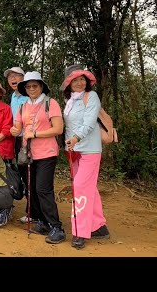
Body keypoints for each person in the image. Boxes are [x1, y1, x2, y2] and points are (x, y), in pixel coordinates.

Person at [10, 71, 66, 244]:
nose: (32, 89)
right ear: (25, 89)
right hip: (29, 154)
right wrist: (15, 130)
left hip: (47, 153)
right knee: (32, 188)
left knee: (43, 189)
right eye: (28, 86)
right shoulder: (23, 106)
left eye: (35, 85)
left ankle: (56, 226)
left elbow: (58, 129)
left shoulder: (51, 103)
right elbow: (18, 126)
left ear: (41, 86)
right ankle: (42, 222)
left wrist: (35, 133)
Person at [61, 64, 110, 249]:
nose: (79, 83)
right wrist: (69, 143)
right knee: (89, 188)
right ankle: (99, 226)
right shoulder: (70, 101)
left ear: (87, 82)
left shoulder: (92, 96)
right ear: (68, 84)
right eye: (75, 80)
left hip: (89, 149)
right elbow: (69, 126)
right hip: (74, 151)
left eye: (82, 79)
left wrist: (75, 138)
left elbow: (90, 122)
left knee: (80, 188)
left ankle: (80, 231)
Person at [4, 66, 30, 223]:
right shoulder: (13, 96)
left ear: (23, 78)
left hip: (29, 139)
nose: (13, 79)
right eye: (10, 77)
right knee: (21, 173)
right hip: (16, 140)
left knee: (30, 174)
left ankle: (33, 211)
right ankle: (30, 209)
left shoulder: (30, 95)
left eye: (16, 76)